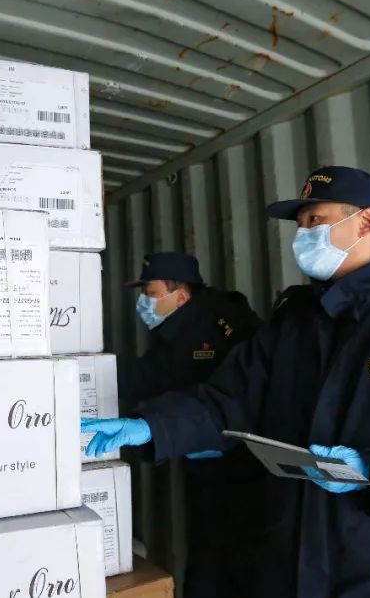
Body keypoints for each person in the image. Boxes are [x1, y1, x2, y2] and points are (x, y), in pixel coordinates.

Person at [84, 167, 370, 598]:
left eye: (315, 221)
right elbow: (230, 399)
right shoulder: (295, 321)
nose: (302, 235)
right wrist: (153, 426)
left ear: (366, 223)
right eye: (300, 224)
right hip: (299, 571)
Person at [116, 252, 263, 598]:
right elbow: (152, 375)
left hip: (243, 469)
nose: (143, 302)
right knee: (206, 557)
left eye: (150, 293)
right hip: (200, 464)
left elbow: (239, 395)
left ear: (180, 296)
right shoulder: (173, 329)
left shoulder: (225, 325)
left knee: (238, 558)